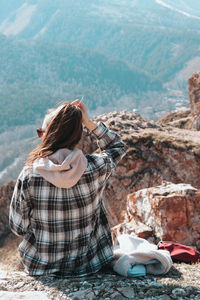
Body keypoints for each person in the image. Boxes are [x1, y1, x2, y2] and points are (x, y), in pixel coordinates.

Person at [9, 100, 127, 277]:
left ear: (46, 136)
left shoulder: (29, 176)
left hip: (41, 267)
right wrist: (88, 122)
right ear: (77, 136)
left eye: (41, 133)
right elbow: (117, 146)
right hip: (88, 265)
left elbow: (18, 226)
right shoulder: (95, 167)